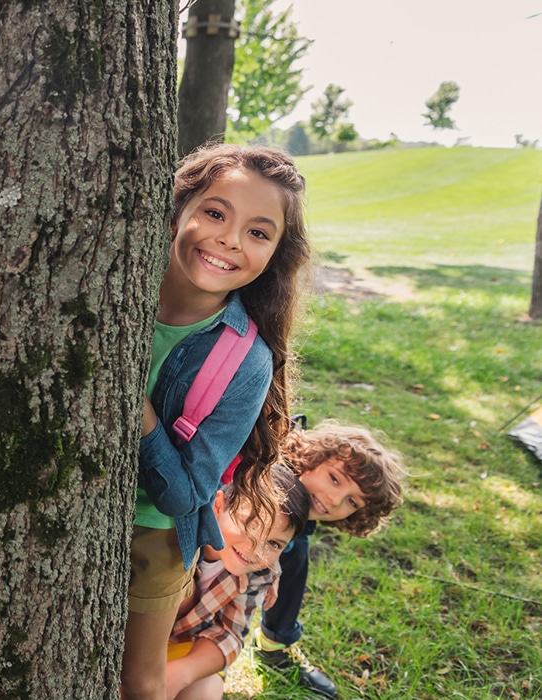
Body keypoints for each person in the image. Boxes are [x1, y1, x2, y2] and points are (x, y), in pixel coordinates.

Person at [121, 143, 312, 700]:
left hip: (154, 533)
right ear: (177, 208)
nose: (229, 239)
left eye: (258, 232)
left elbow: (186, 496)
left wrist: (142, 415)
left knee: (138, 679)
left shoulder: (246, 361)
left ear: (276, 253)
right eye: (215, 212)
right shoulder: (107, 286)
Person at [254, 421, 407, 698]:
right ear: (312, 457)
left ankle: (275, 644)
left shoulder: (302, 518)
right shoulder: (264, 482)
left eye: (352, 502)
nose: (335, 500)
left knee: (297, 551)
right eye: (334, 479)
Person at [165, 464, 311, 700]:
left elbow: (230, 634)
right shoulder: (179, 538)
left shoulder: (260, 572)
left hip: (183, 643)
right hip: (138, 636)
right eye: (250, 524)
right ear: (219, 505)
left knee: (206, 691)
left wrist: (179, 674)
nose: (255, 549)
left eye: (274, 544)